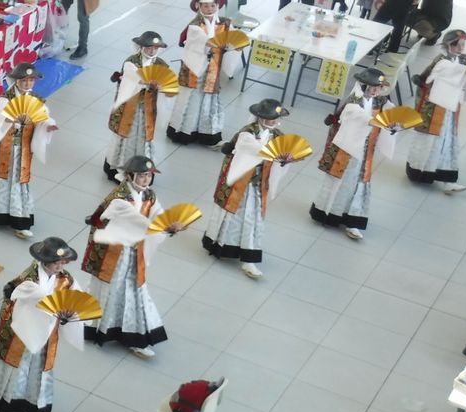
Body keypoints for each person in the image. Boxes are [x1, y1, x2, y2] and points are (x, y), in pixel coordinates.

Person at [0, 237, 78, 412]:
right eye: (56, 263)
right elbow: (11, 294)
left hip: (46, 335)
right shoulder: (29, 278)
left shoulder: (65, 279)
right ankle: (5, 402)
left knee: (41, 372)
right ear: (44, 261)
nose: (60, 267)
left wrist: (69, 315)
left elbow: (73, 300)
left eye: (62, 263)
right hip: (22, 334)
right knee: (16, 368)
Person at [82, 155, 169, 359]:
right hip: (115, 252)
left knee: (134, 289)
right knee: (112, 288)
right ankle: (104, 328)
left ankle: (134, 335)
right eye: (142, 175)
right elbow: (135, 221)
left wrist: (167, 224)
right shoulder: (120, 198)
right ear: (130, 176)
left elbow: (158, 215)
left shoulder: (149, 196)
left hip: (134, 250)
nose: (146, 180)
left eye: (148, 175)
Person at [204, 98, 289, 280]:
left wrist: (285, 159)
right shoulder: (247, 133)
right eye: (270, 118)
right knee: (233, 214)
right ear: (260, 117)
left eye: (275, 118)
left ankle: (249, 257)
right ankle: (221, 244)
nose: (273, 121)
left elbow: (281, 153)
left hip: (258, 184)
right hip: (240, 181)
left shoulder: (278, 136)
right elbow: (257, 150)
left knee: (253, 217)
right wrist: (276, 154)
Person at [310, 69, 397, 240]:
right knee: (341, 181)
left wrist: (393, 122)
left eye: (379, 87)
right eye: (373, 86)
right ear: (364, 85)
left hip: (366, 150)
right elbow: (352, 114)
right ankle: (327, 213)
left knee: (360, 183)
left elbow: (390, 113)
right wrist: (373, 121)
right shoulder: (353, 101)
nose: (376, 90)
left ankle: (353, 221)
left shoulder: (381, 101)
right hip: (348, 148)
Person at [0, 63, 59, 240]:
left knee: (19, 181)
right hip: (5, 146)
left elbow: (43, 117)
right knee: (2, 179)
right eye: (24, 80)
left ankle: (20, 220)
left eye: (31, 80)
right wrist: (12, 120)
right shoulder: (5, 99)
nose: (28, 84)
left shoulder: (36, 100)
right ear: (16, 81)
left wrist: (48, 125)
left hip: (23, 147)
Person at [406, 29, 466, 193]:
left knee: (446, 142)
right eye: (458, 45)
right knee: (430, 142)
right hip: (435, 109)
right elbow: (460, 71)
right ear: (449, 45)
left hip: (448, 108)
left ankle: (446, 179)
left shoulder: (460, 59)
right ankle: (418, 172)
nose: (461, 48)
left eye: (463, 45)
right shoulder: (443, 61)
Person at [104, 31, 171, 182]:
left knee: (143, 137)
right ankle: (121, 167)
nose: (152, 51)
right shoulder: (131, 62)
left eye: (155, 48)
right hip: (130, 106)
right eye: (149, 47)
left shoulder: (161, 64)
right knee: (127, 136)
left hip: (148, 108)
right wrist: (148, 82)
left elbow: (167, 83)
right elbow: (133, 76)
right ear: (141, 47)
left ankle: (141, 170)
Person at [167, 0, 234, 147]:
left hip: (213, 68)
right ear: (199, 6)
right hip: (194, 67)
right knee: (191, 99)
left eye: (213, 5)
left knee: (209, 100)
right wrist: (210, 44)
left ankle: (208, 134)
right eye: (205, 5)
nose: (209, 9)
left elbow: (232, 41)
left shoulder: (226, 23)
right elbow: (191, 41)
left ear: (218, 6)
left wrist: (233, 47)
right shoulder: (195, 24)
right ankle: (184, 132)